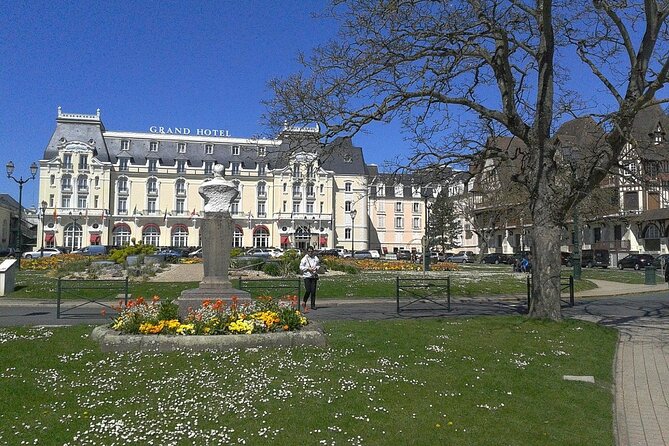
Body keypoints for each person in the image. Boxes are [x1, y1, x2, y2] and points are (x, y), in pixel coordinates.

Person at [299, 246, 321, 311]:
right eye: (309, 251)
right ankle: (304, 301)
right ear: (307, 251)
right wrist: (308, 268)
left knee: (313, 291)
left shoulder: (315, 258)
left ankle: (313, 305)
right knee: (308, 290)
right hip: (307, 276)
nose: (310, 252)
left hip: (313, 276)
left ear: (313, 251)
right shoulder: (304, 258)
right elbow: (301, 267)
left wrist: (316, 268)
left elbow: (318, 265)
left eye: (311, 251)